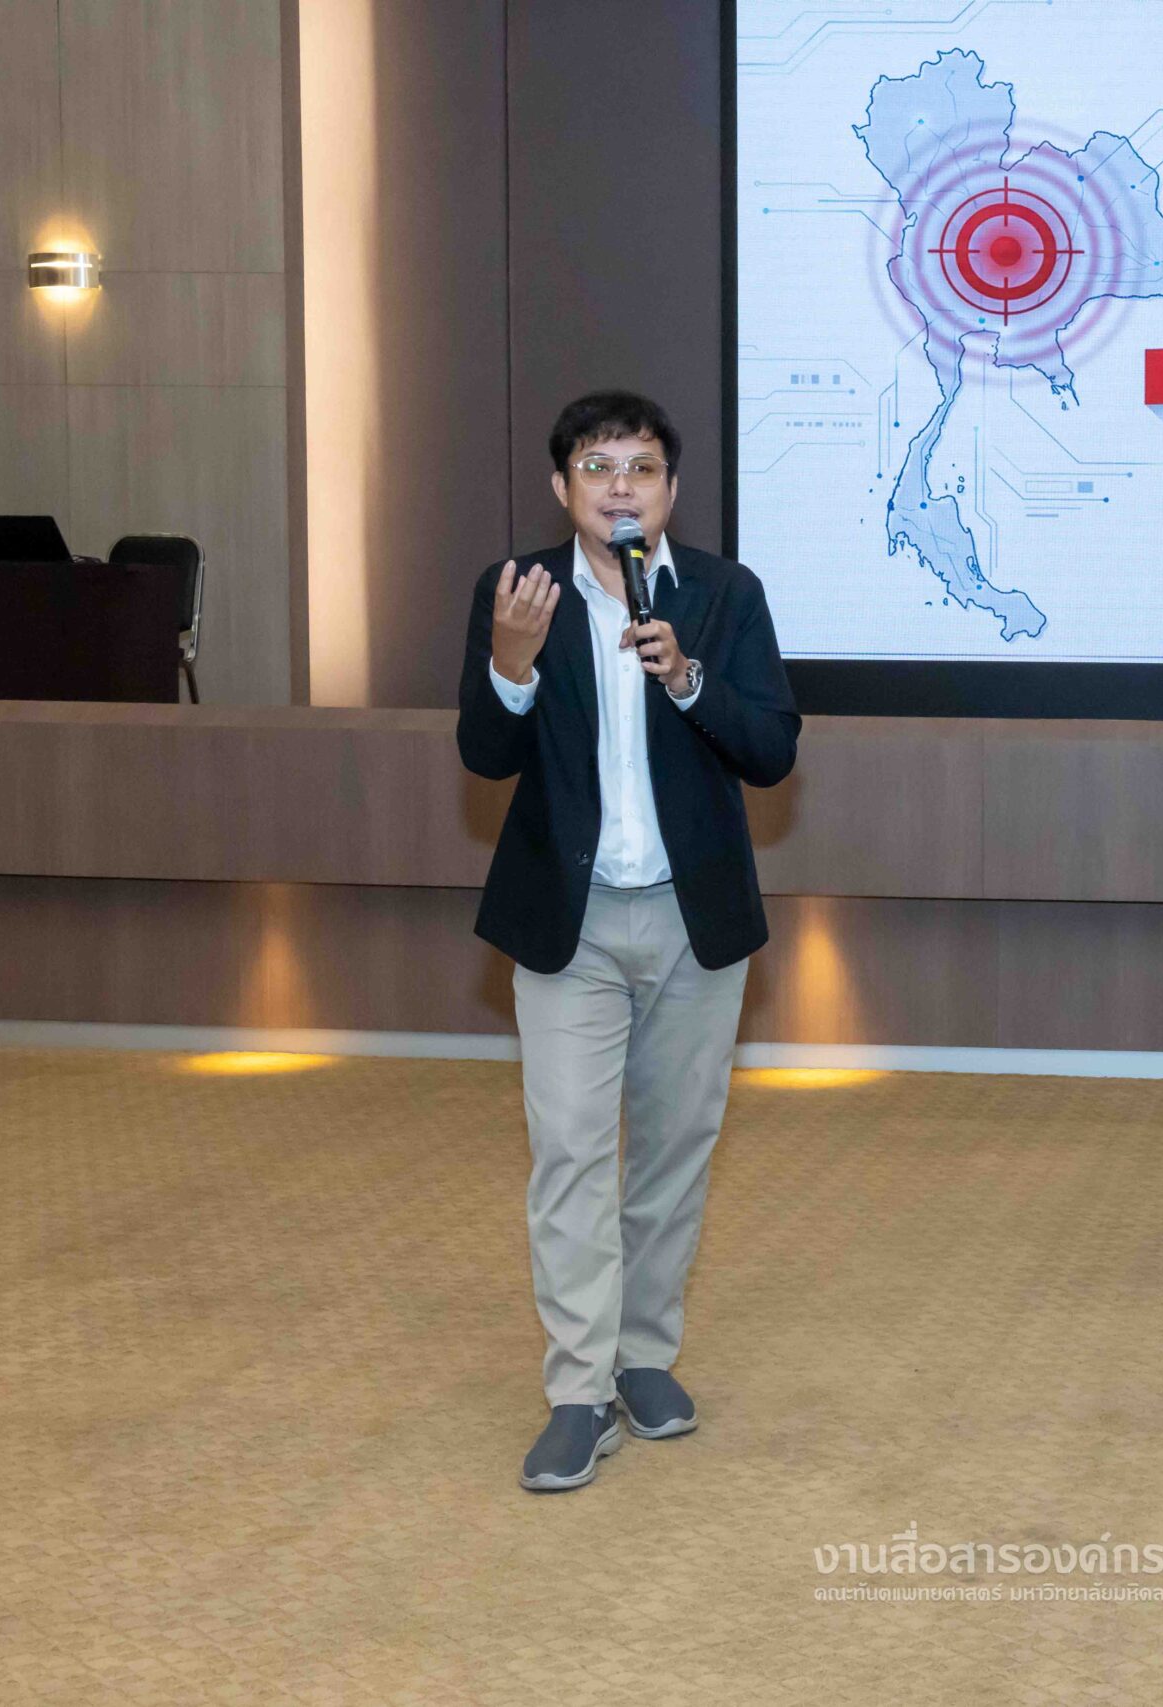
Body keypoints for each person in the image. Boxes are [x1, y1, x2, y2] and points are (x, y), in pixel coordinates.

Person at [456, 390, 800, 1492]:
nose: (619, 487)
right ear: (562, 487)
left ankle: (644, 1354)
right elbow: (484, 756)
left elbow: (772, 749)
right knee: (570, 1149)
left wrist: (688, 678)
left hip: (695, 920)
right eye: (597, 467)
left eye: (640, 468)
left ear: (670, 490)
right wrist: (511, 665)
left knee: (671, 1151)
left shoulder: (724, 595)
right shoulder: (519, 592)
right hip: (574, 922)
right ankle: (578, 1391)